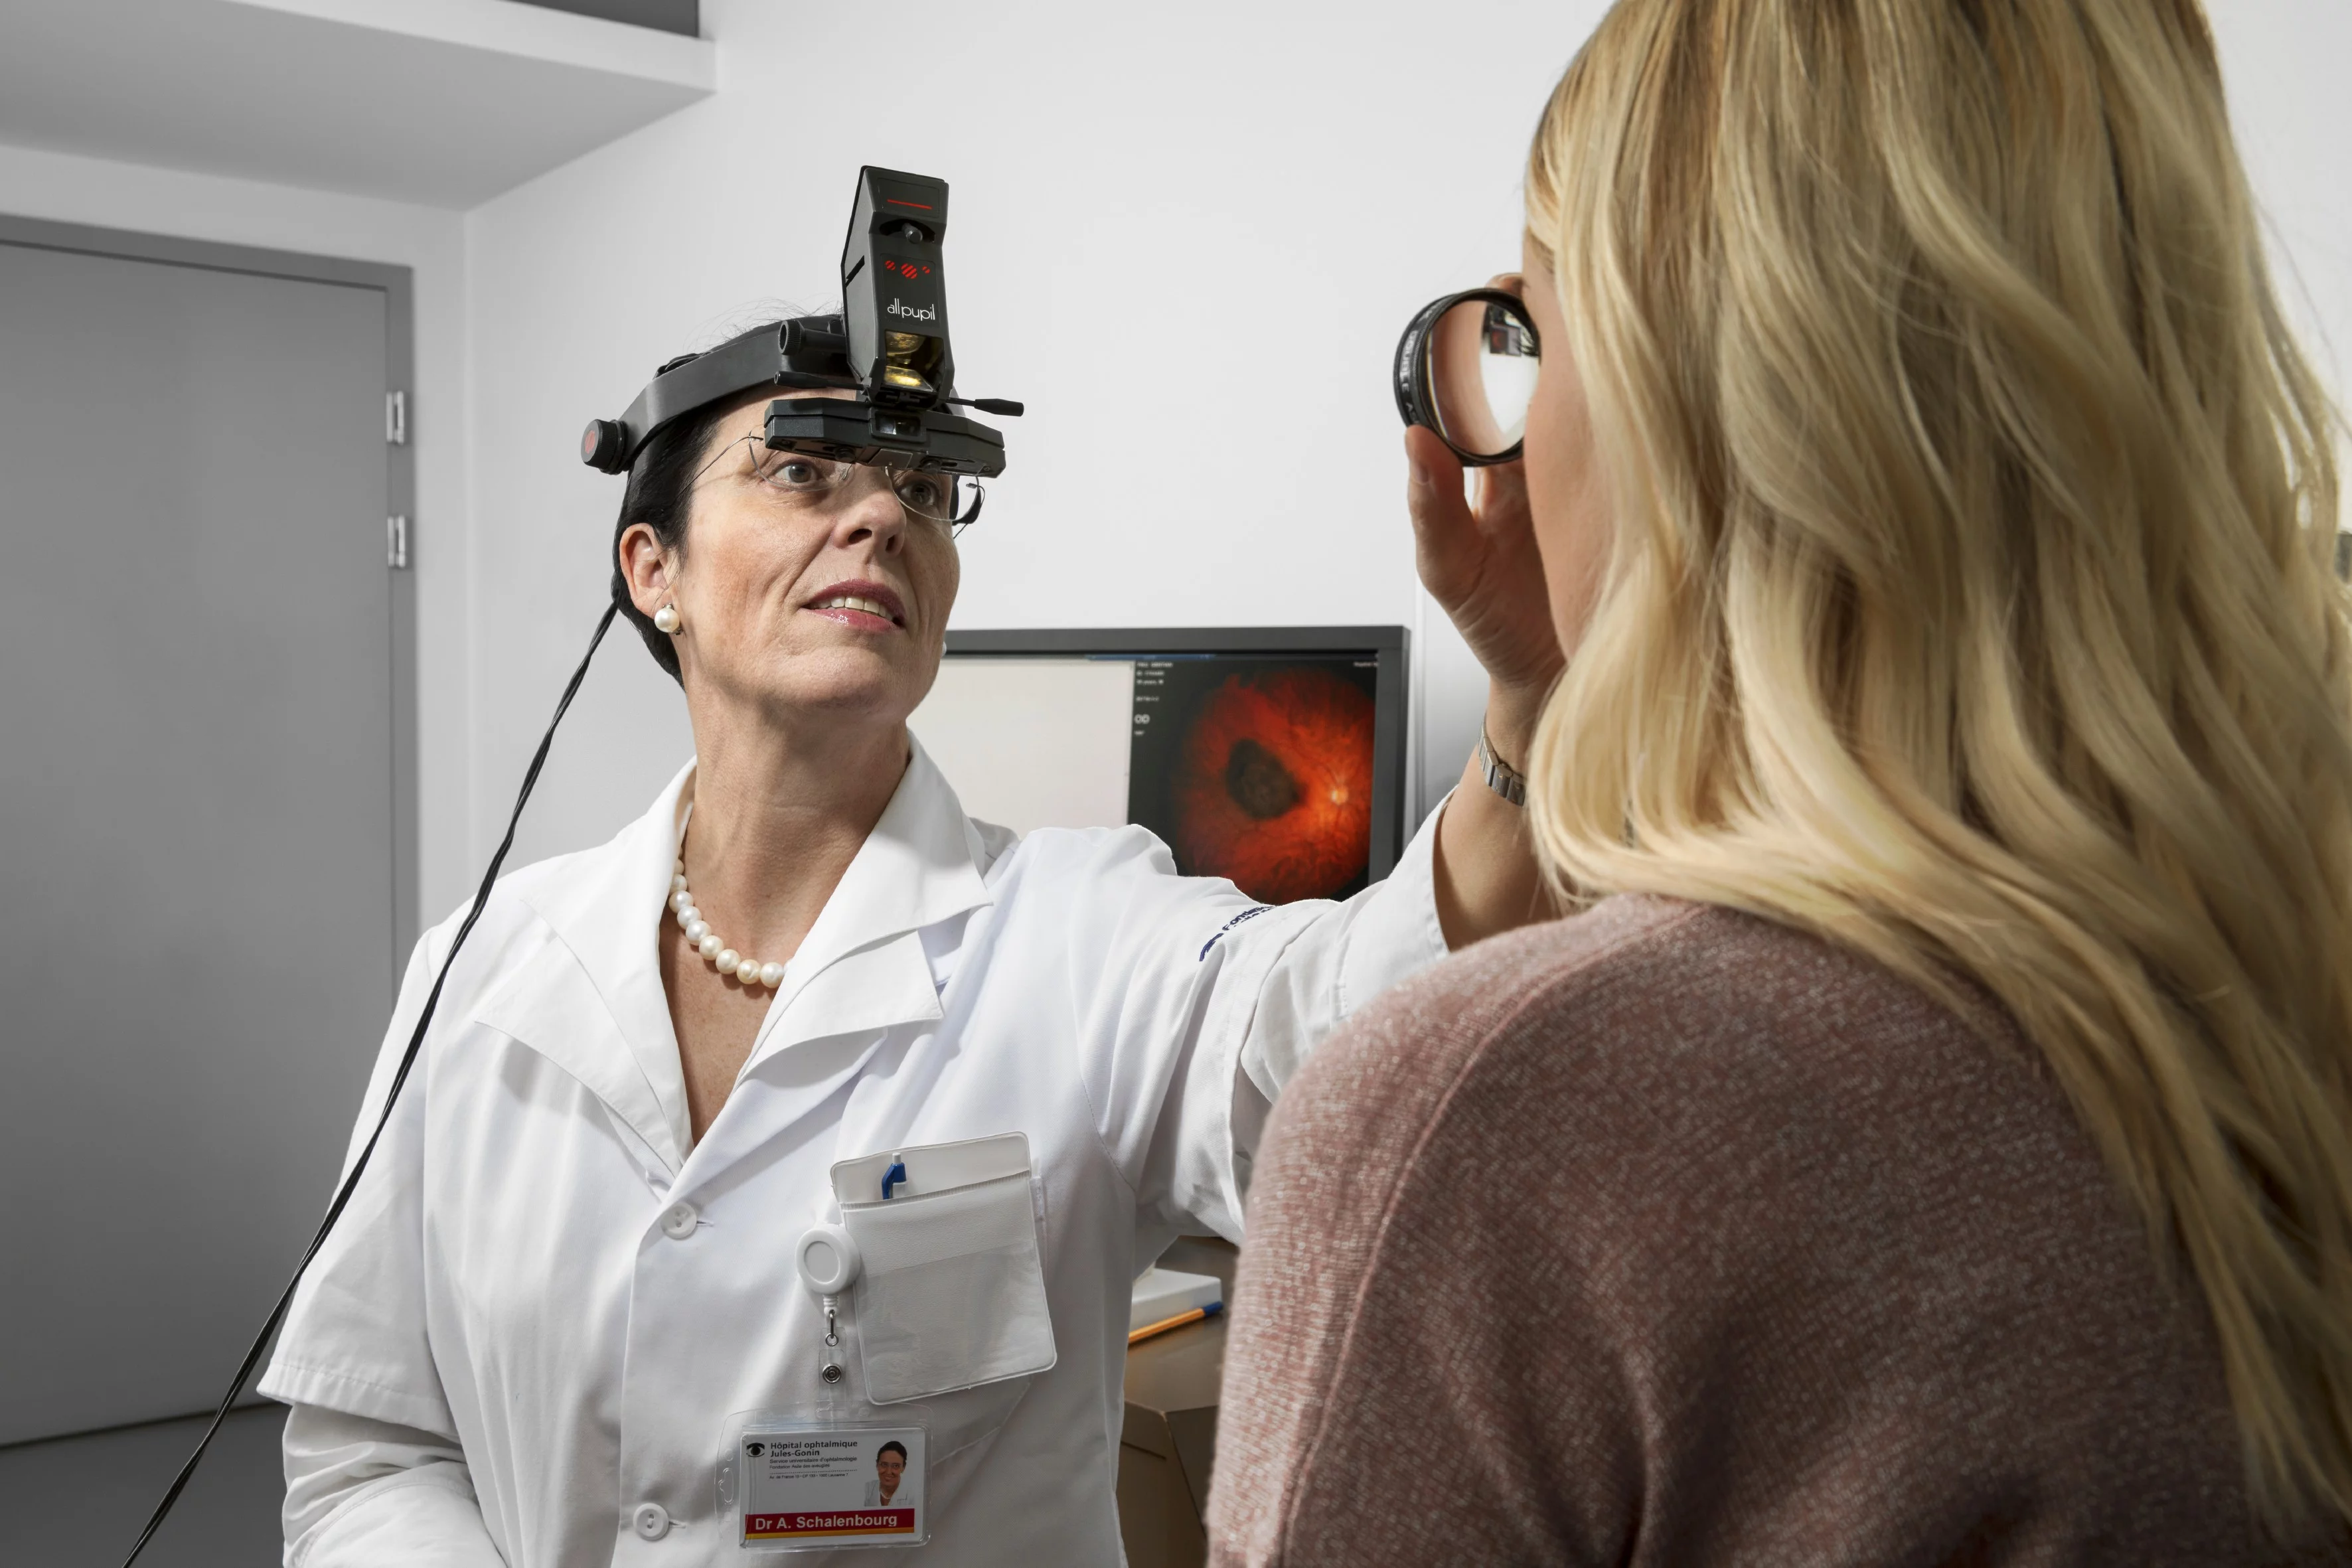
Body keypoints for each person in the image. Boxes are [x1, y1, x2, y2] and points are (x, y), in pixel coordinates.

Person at [1209, 1, 2352, 1563]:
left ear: (1684, 394)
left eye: (1538, 325)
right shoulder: (2275, 1014)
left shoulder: (1495, 1128)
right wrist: (1552, 692)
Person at [256, 306, 1562, 1558]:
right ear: (652, 571)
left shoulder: (1081, 935)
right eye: (803, 469)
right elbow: (374, 1439)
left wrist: (1523, 695)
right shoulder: (483, 966)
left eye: (927, 492)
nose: (883, 512)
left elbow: (1360, 1035)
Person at [866, 1441, 909, 1509]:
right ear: (877, 1465)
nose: (889, 1472)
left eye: (895, 1466)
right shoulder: (866, 1489)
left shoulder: (912, 1495)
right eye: (884, 1465)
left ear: (903, 1468)